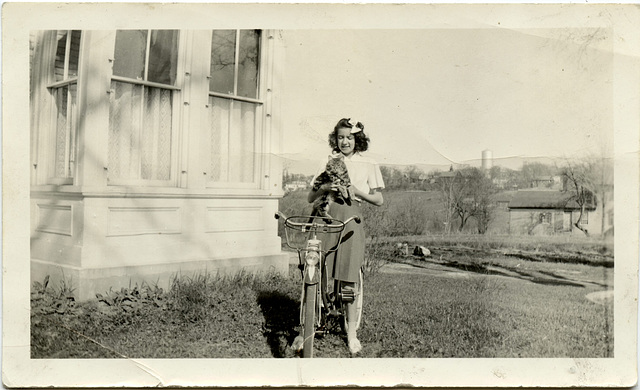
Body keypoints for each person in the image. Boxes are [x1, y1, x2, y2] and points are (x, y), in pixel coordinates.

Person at [307, 118, 385, 354]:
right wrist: (324, 189)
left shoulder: (368, 163)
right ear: (335, 139)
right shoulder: (328, 160)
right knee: (314, 269)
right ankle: (309, 324)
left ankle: (351, 334)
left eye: (349, 137)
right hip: (327, 215)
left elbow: (379, 200)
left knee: (349, 277)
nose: (345, 142)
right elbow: (310, 198)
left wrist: (358, 191)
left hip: (352, 218)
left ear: (357, 139)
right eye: (341, 137)